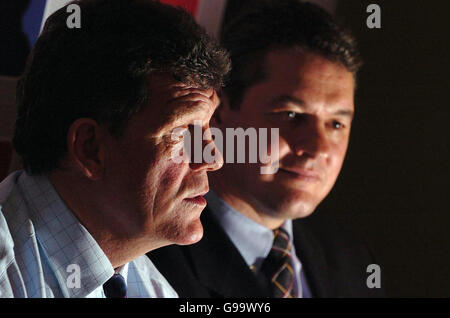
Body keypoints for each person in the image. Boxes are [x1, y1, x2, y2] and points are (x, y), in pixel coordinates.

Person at [148, 0, 385, 297]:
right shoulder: (153, 254)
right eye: (291, 115)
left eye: (336, 124)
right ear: (218, 111)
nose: (318, 148)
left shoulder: (351, 259)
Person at [0, 0, 230, 298]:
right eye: (183, 131)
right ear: (91, 148)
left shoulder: (152, 287)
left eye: (208, 129)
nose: (213, 159)